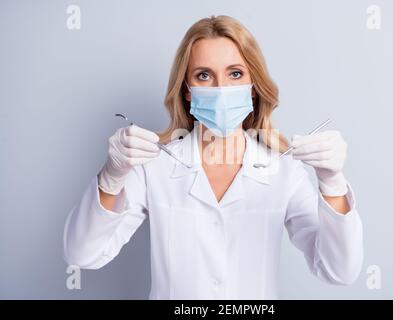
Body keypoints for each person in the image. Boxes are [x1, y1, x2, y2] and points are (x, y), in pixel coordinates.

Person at [63, 15, 363, 299]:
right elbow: (83, 255)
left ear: (254, 87)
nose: (221, 89)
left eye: (235, 74)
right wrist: (111, 177)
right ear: (188, 90)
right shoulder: (154, 167)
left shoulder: (283, 170)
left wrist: (332, 183)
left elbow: (339, 271)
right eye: (204, 75)